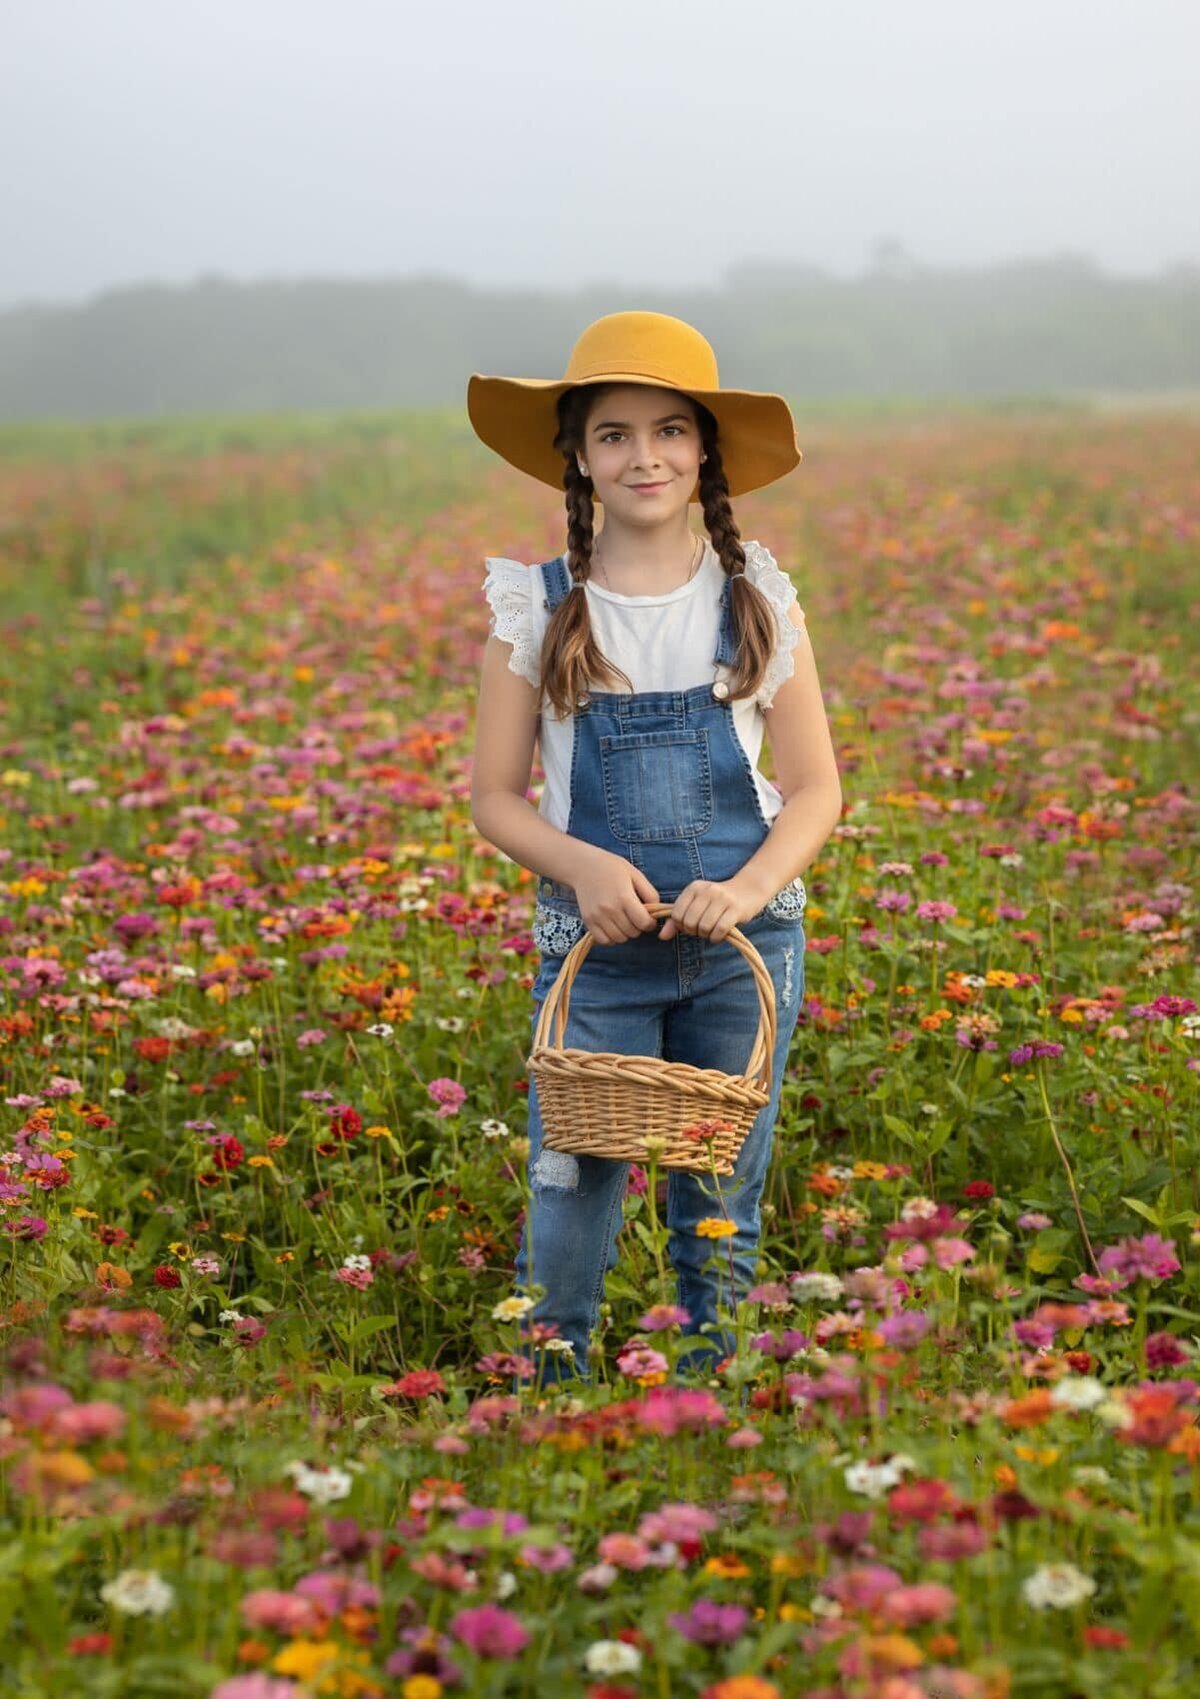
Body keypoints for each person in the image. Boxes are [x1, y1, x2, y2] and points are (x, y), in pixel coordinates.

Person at [467, 310, 842, 1384]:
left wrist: (751, 884)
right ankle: (555, 1387)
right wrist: (581, 868)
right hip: (595, 955)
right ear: (579, 458)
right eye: (616, 434)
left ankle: (709, 1390)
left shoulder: (757, 600)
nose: (646, 456)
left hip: (744, 948)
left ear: (705, 453)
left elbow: (816, 788)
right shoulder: (537, 605)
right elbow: (495, 797)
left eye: (671, 430)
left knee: (720, 1191)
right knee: (570, 1185)